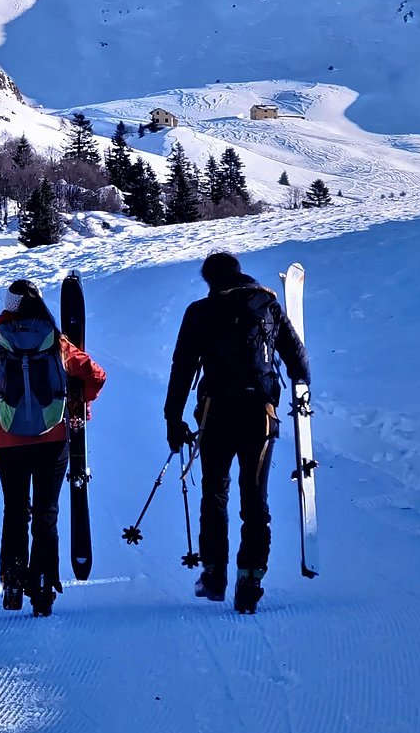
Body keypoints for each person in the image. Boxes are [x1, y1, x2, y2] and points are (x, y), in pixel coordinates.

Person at [164, 252, 310, 614]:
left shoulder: (199, 312)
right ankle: (251, 580)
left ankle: (214, 575)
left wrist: (172, 420)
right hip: (260, 416)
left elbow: (182, 369)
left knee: (214, 494)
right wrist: (300, 395)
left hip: (216, 416)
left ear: (209, 279)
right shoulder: (268, 305)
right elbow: (299, 362)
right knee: (254, 499)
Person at [0, 279, 106, 616]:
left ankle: (14, 580)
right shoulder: (56, 341)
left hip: (9, 440)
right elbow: (96, 374)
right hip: (52, 438)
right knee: (46, 514)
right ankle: (45, 588)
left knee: (15, 510)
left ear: (10, 306)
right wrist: (80, 403)